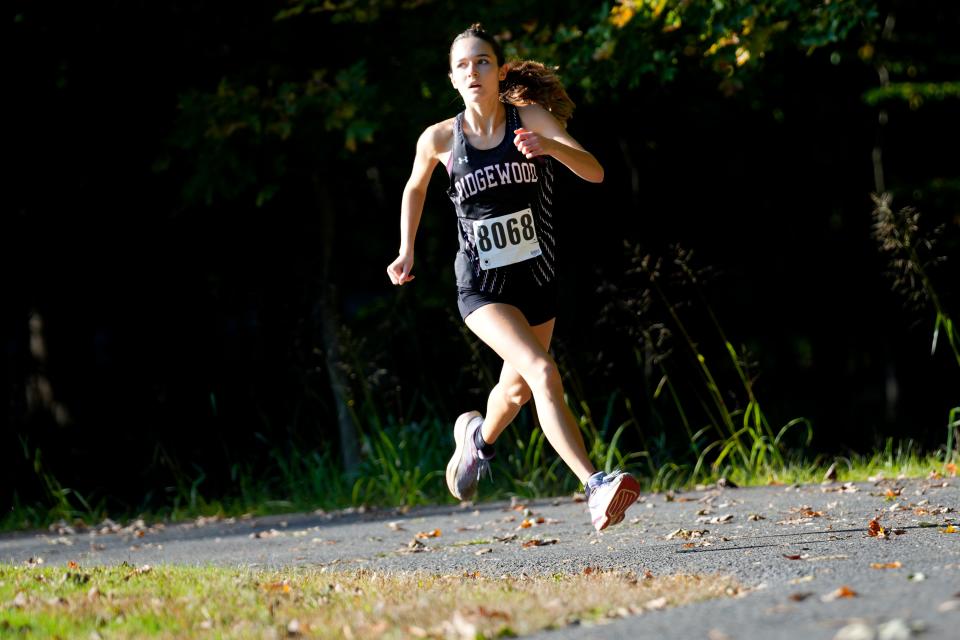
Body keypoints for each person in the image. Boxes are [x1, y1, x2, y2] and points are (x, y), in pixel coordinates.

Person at [386, 23, 639, 531]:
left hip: (537, 280)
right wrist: (406, 249)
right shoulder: (440, 138)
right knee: (543, 372)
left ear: (499, 72)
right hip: (481, 288)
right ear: (452, 79)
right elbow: (415, 189)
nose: (473, 71)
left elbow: (594, 171)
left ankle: (476, 441)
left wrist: (552, 150)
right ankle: (595, 486)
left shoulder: (530, 117)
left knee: (519, 390)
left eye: (483, 62)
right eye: (463, 65)